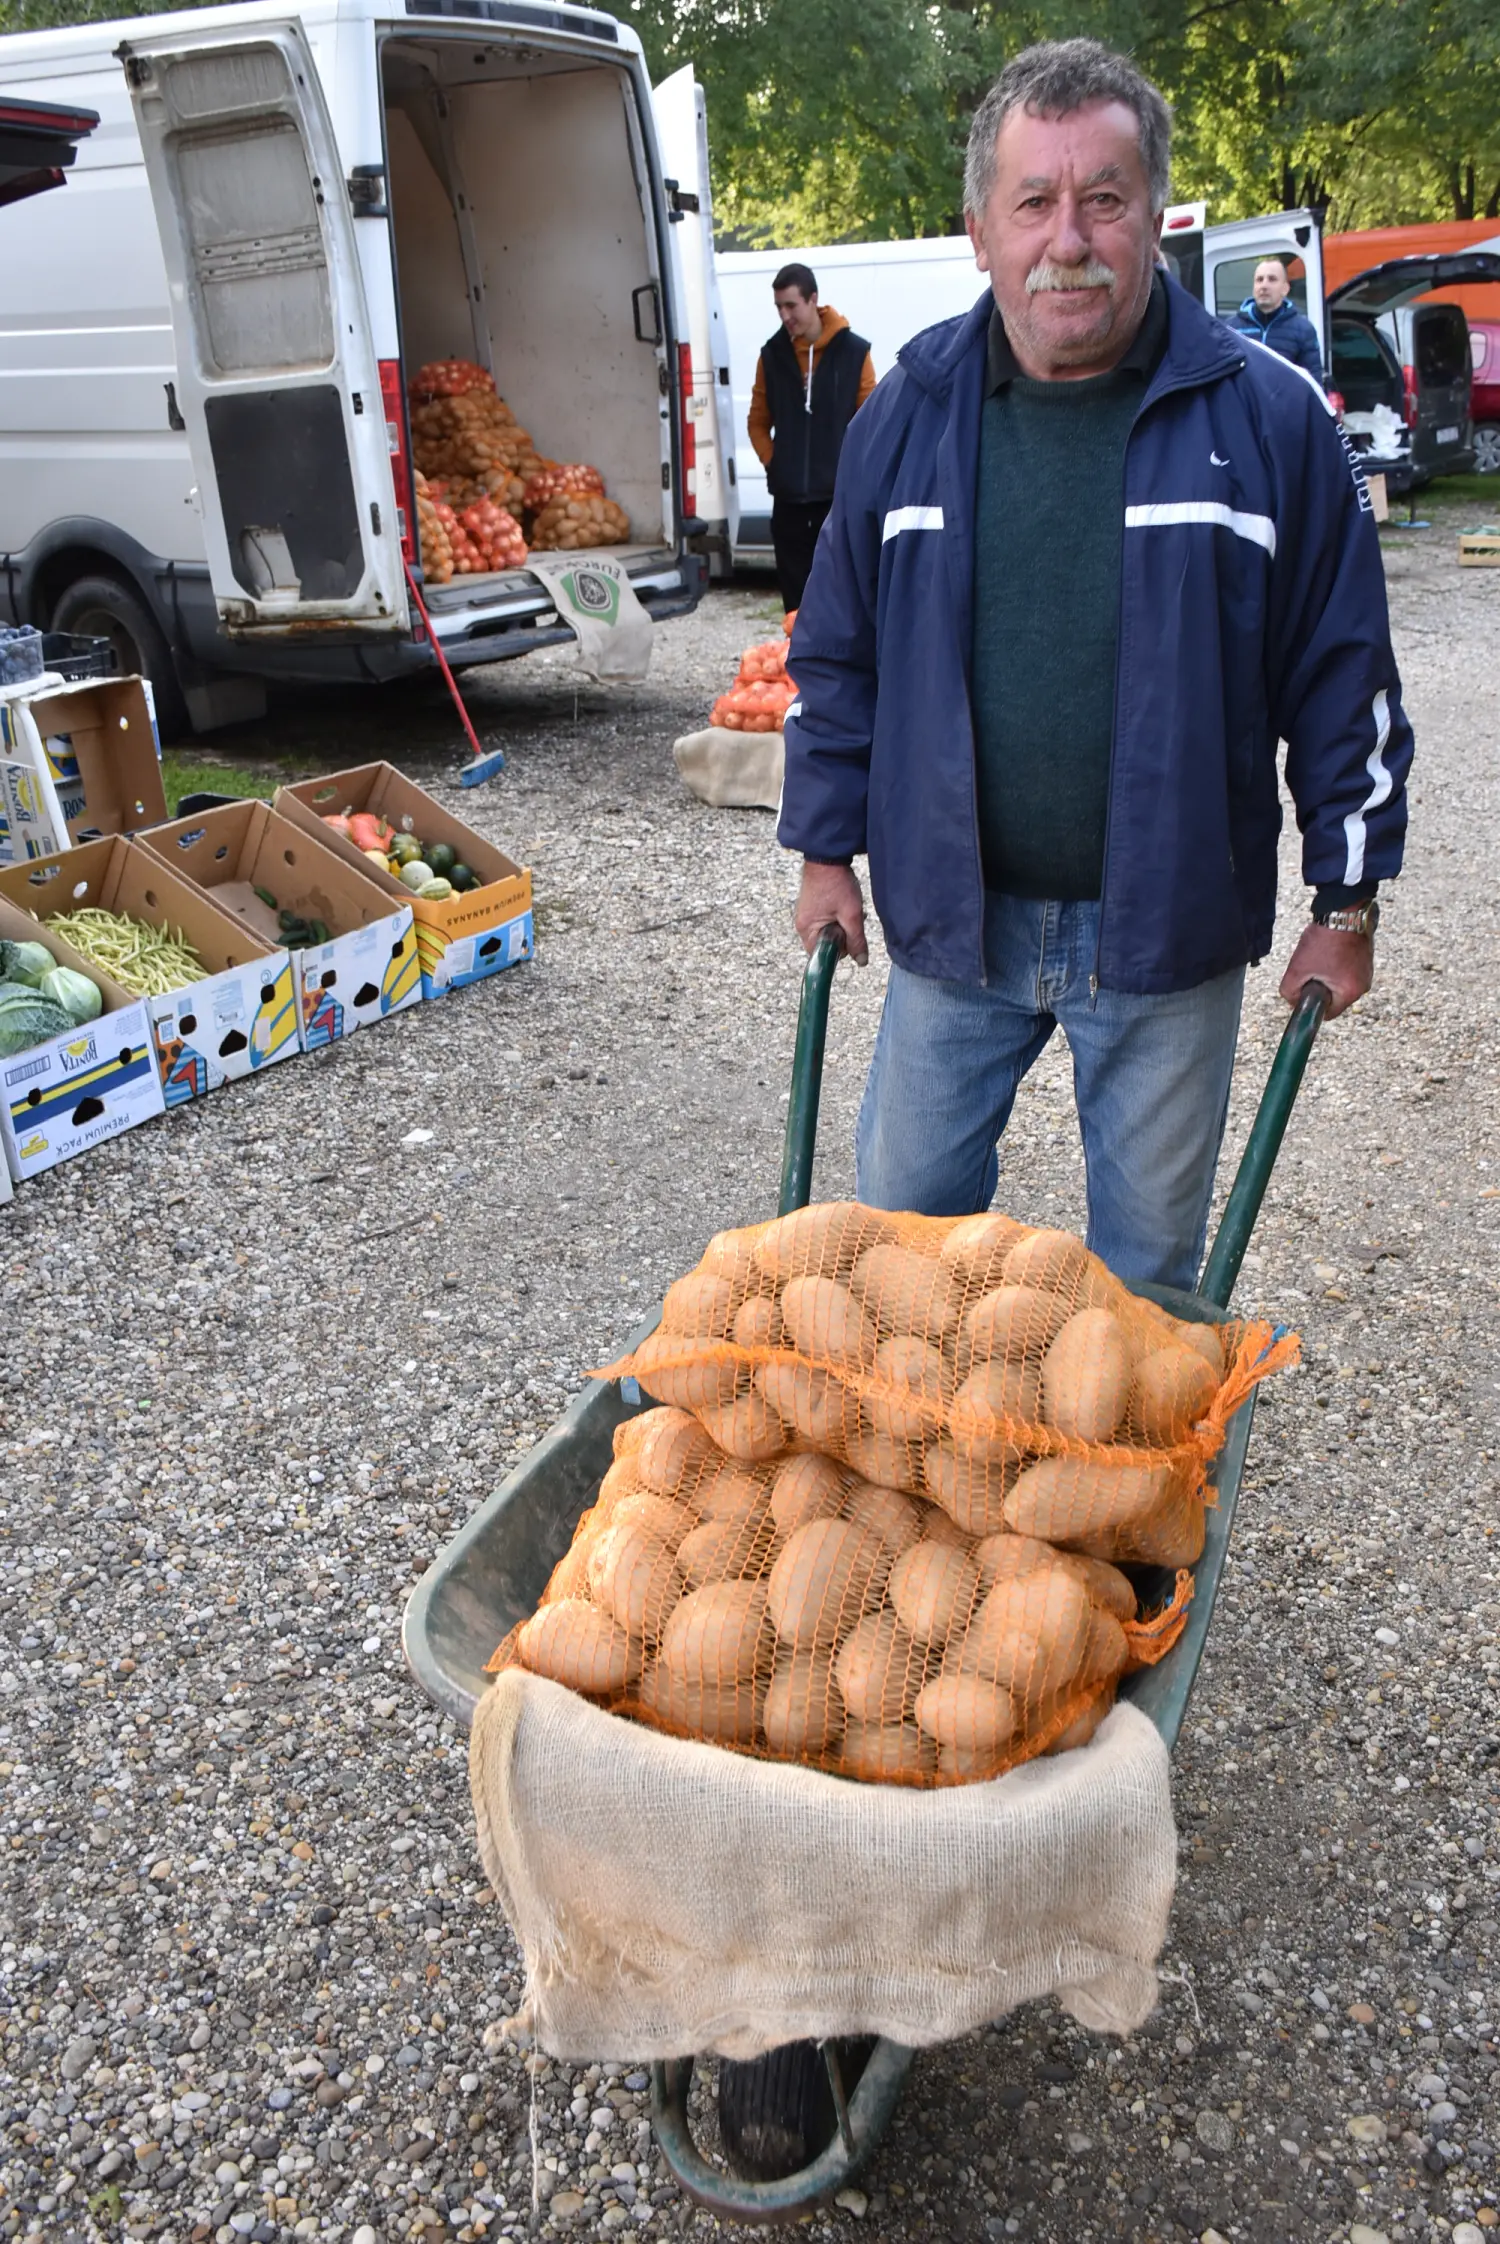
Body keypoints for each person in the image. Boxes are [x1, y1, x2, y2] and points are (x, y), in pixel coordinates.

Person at [777, 38, 1411, 1291]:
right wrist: (821, 849)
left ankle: (1111, 1485)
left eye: (1104, 199)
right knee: (900, 1252)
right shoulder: (908, 412)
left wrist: (1347, 903)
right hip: (955, 926)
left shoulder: (1267, 418)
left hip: (1169, 929)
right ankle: (928, 1469)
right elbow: (836, 653)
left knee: (1144, 1285)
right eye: (1034, 203)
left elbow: (1345, 677)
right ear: (980, 232)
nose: (1067, 238)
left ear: (1154, 220)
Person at [747, 263, 876, 614]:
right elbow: (757, 422)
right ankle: (795, 667)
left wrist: (853, 473)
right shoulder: (771, 356)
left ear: (813, 299)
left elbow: (871, 424)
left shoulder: (854, 353)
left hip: (836, 501)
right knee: (795, 606)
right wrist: (776, 463)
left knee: (841, 600)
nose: (785, 316)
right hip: (788, 504)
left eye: (791, 306)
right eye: (779, 307)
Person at [1230, 256, 1325, 379]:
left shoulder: (1303, 330)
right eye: (1259, 280)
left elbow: (1313, 382)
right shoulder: (1232, 328)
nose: (1264, 285)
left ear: (1285, 289)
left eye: (1272, 279)